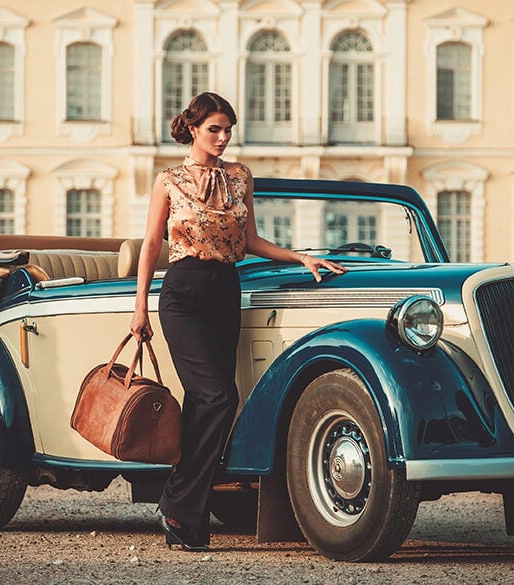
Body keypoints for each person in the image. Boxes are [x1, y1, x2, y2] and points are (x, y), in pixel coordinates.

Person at [129, 92, 346, 552]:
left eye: (228, 129)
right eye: (215, 129)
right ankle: (179, 503)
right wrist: (140, 307)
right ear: (193, 129)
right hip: (183, 293)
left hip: (227, 292)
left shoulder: (241, 177)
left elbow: (249, 241)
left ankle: (180, 509)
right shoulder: (168, 181)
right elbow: (151, 245)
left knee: (206, 403)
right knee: (218, 396)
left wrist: (300, 256)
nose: (224, 138)